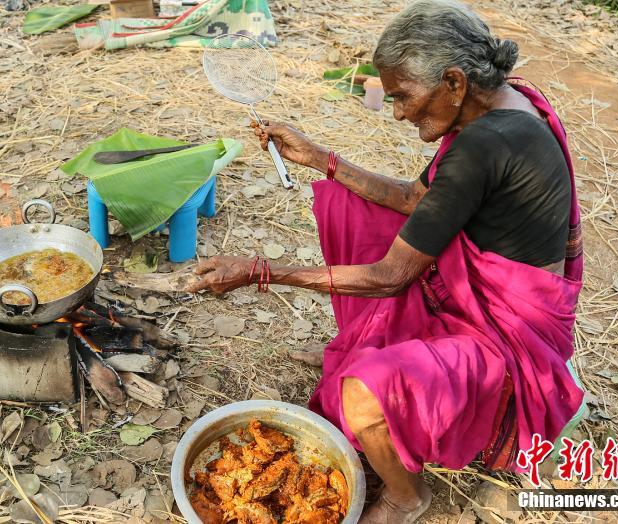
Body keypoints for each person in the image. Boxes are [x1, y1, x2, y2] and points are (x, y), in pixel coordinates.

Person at [186, 0, 586, 521]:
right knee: (347, 204)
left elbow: (388, 278)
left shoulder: (486, 145)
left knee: (363, 397)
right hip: (478, 300)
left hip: (506, 342)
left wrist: (261, 272)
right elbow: (414, 200)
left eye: (402, 96)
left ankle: (406, 495)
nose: (396, 111)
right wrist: (320, 159)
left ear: (454, 82)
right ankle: (368, 345)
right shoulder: (506, 106)